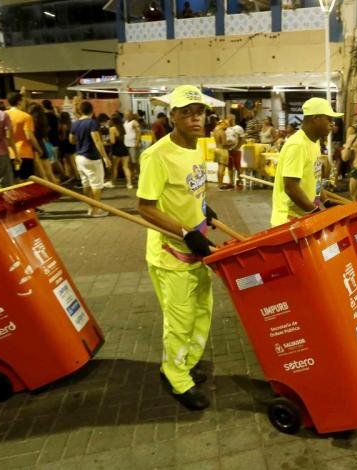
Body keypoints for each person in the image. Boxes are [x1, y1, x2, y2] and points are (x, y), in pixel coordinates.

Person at [136, 86, 218, 411]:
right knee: (179, 321)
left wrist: (203, 209)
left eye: (198, 111)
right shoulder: (157, 155)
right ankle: (175, 377)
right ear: (173, 116)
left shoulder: (197, 147)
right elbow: (145, 207)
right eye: (186, 111)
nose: (195, 117)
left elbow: (190, 191)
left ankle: (186, 361)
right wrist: (185, 232)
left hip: (197, 250)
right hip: (171, 255)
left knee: (202, 312)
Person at [269, 98, 341, 226]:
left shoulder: (315, 142)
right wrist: (316, 212)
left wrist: (326, 203)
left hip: (304, 219)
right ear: (315, 118)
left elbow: (316, 180)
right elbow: (291, 187)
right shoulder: (297, 144)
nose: (332, 124)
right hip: (289, 221)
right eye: (329, 119)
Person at [69, 101, 111, 217]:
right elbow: (97, 140)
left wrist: (81, 140)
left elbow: (71, 140)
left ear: (80, 111)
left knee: (86, 183)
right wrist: (105, 157)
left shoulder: (75, 124)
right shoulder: (92, 123)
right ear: (92, 111)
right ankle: (96, 210)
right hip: (92, 157)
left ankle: (91, 207)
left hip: (79, 157)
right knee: (96, 185)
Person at [5, 92, 40, 181]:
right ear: (19, 101)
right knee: (26, 181)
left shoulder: (3, 115)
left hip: (7, 153)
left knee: (12, 180)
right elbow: (29, 136)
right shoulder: (26, 117)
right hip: (24, 153)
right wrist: (39, 149)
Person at [108, 114, 133, 189]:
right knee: (125, 167)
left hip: (116, 150)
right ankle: (129, 184)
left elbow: (112, 141)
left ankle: (112, 182)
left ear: (113, 121)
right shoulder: (122, 128)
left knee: (114, 167)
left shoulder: (112, 129)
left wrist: (107, 141)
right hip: (124, 148)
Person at [223, 115, 244, 190]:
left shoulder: (238, 128)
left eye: (228, 119)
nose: (227, 120)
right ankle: (231, 182)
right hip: (228, 150)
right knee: (230, 167)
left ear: (232, 119)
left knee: (238, 166)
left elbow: (242, 139)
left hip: (236, 150)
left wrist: (236, 147)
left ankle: (240, 180)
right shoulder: (226, 129)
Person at [124, 112, 142, 182]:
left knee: (135, 161)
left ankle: (140, 174)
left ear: (131, 115)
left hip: (133, 145)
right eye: (126, 115)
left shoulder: (134, 123)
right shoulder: (125, 122)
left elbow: (138, 132)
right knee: (129, 162)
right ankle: (133, 175)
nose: (126, 116)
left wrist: (137, 142)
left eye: (128, 115)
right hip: (126, 144)